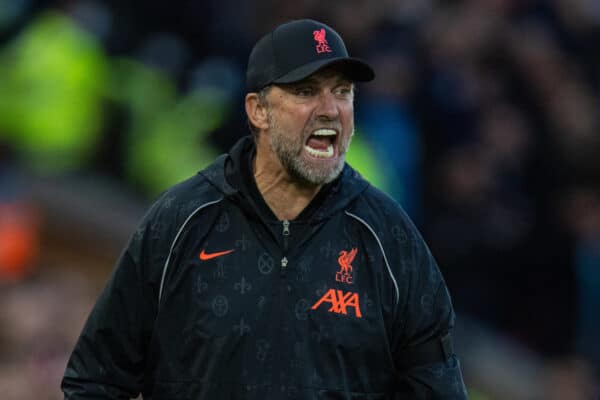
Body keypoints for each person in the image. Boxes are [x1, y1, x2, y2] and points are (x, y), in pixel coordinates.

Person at [62, 19, 467, 399]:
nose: (330, 109)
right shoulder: (181, 220)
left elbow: (438, 389)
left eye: (342, 91)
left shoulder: (389, 238)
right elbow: (95, 379)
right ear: (258, 110)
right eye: (306, 91)